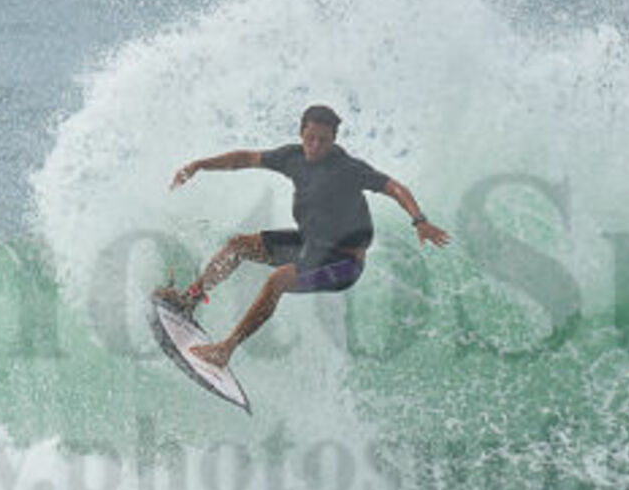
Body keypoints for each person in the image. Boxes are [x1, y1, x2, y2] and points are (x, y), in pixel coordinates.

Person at [158, 104, 450, 367]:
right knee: (238, 246)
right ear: (301, 133)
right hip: (310, 244)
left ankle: (225, 350)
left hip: (343, 262)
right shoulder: (292, 157)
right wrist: (199, 165)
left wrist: (419, 220)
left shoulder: (348, 169)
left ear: (334, 139)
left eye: (324, 140)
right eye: (310, 138)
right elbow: (245, 158)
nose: (316, 145)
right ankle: (188, 301)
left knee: (278, 280)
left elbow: (394, 188)